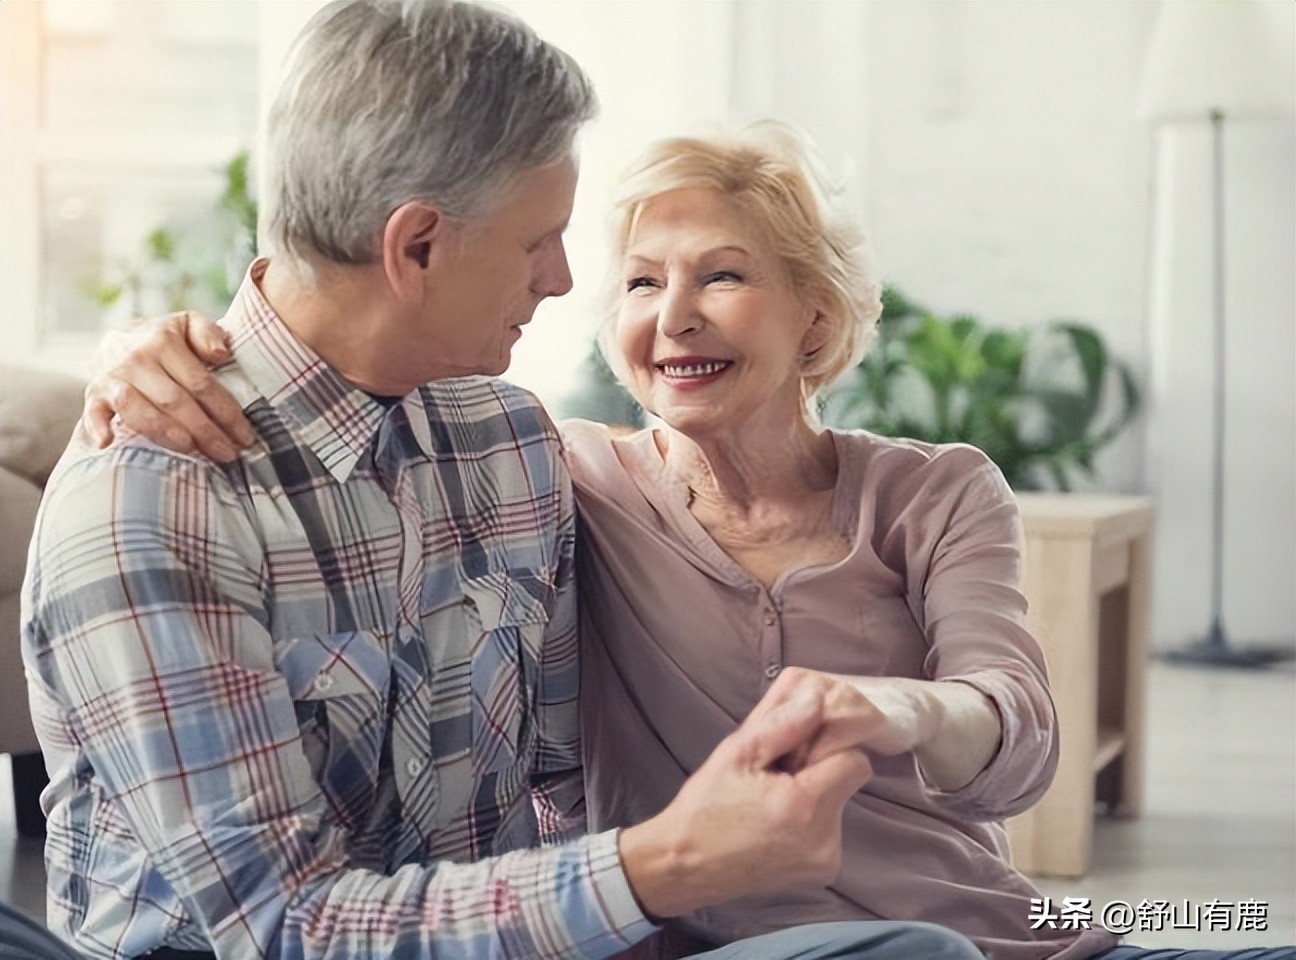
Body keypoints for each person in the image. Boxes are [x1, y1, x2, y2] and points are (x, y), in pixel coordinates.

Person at [75, 52, 1296, 960]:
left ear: (817, 319)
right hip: (746, 943)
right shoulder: (563, 469)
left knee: (1236, 931)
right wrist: (151, 358)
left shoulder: (931, 490)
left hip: (1012, 930)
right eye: (640, 281)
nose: (667, 313)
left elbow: (1016, 749)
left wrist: (897, 709)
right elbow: (320, 369)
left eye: (723, 275)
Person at [20, 4, 1000, 960]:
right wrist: (668, 865)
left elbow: (565, 784)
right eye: (540, 239)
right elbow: (285, 930)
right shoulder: (155, 502)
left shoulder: (512, 443)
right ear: (418, 247)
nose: (566, 279)